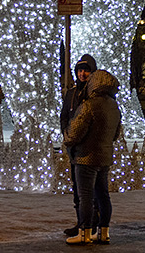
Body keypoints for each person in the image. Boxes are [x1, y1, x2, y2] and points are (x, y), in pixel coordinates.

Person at [63, 69, 123, 245]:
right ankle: (103, 232)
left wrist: (67, 138)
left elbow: (74, 133)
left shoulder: (88, 105)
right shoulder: (114, 105)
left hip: (85, 158)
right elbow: (116, 133)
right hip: (104, 157)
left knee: (86, 197)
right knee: (103, 195)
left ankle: (84, 233)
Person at [59, 54, 97, 237]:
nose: (82, 74)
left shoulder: (95, 94)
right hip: (74, 148)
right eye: (80, 70)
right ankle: (81, 223)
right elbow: (64, 116)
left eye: (86, 71)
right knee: (77, 191)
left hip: (90, 149)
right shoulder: (71, 94)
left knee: (92, 191)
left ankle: (91, 224)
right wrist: (67, 137)